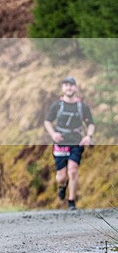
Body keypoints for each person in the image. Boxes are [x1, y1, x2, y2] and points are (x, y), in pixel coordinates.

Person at [43, 76, 94, 210]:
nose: (69, 87)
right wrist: (53, 134)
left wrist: (88, 136)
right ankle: (62, 186)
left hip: (76, 142)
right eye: (66, 85)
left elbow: (90, 124)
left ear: (75, 88)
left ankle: (71, 201)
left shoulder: (82, 106)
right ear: (62, 88)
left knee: (73, 171)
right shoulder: (57, 105)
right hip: (60, 143)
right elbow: (47, 121)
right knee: (61, 176)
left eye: (71, 85)